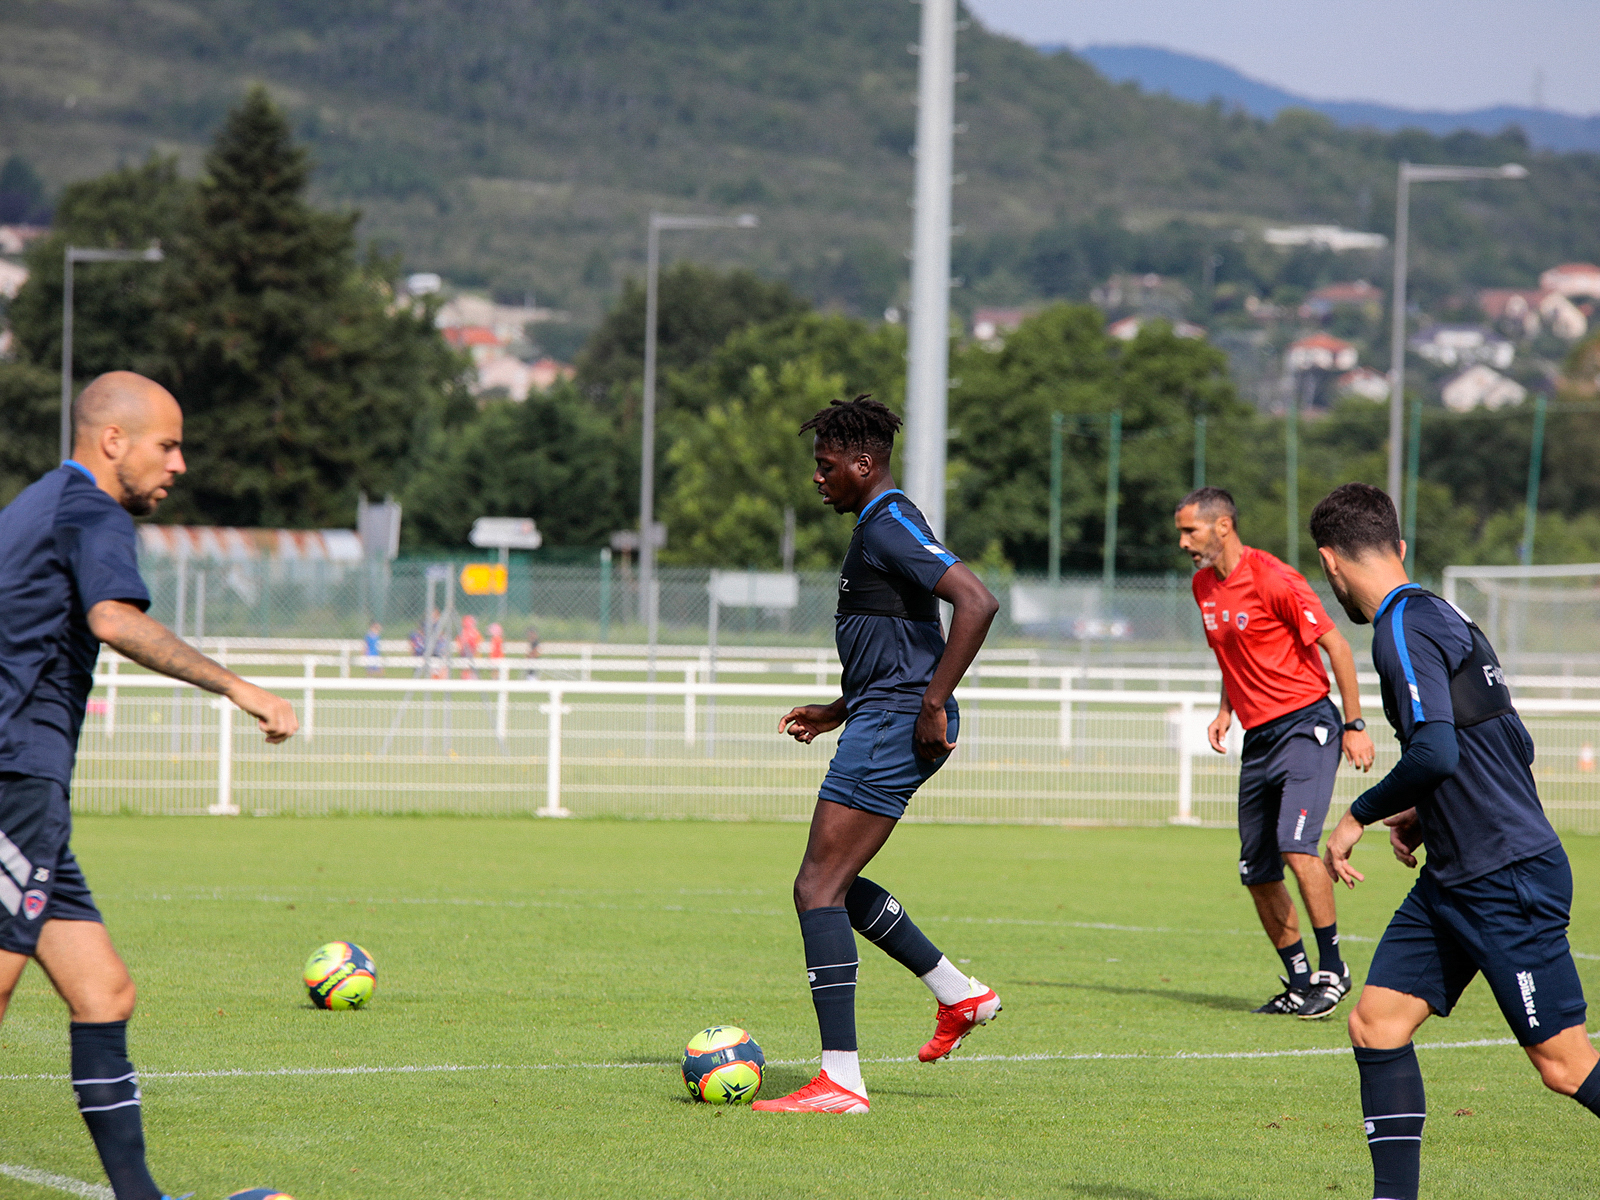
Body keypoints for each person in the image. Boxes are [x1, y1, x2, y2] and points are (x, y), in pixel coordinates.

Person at [0, 372, 298, 1200]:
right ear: (112, 441)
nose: (181, 463)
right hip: (13, 773)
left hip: (28, 787)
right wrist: (240, 688)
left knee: (104, 991)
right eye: (167, 444)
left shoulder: (35, 504)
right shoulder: (92, 510)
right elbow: (114, 619)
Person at [1311, 483, 1599, 1200]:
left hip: (1505, 875)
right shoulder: (1445, 613)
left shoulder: (1399, 629)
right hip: (1457, 875)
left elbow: (1436, 752)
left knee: (1564, 1067)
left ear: (1329, 565)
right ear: (1400, 549)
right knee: (1377, 1024)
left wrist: (1362, 813)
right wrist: (1422, 812)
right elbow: (1506, 739)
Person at [751, 395, 1000, 1116]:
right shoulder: (879, 522)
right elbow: (897, 642)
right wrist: (836, 710)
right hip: (880, 716)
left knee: (817, 890)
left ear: (864, 464)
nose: (818, 478)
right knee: (834, 882)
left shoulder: (888, 522)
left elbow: (976, 602)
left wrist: (929, 703)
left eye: (827, 466)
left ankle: (842, 1081)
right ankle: (961, 994)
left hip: (897, 724)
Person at [1174, 487, 1375, 1018]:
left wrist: (1354, 724)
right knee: (1256, 870)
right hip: (1258, 737)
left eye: (1190, 531)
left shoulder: (1273, 577)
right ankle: (1300, 980)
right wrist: (1225, 709)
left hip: (1307, 725)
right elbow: (1230, 653)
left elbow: (1337, 646)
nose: (1183, 542)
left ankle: (1332, 969)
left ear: (1223, 526)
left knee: (1295, 842)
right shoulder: (1203, 586)